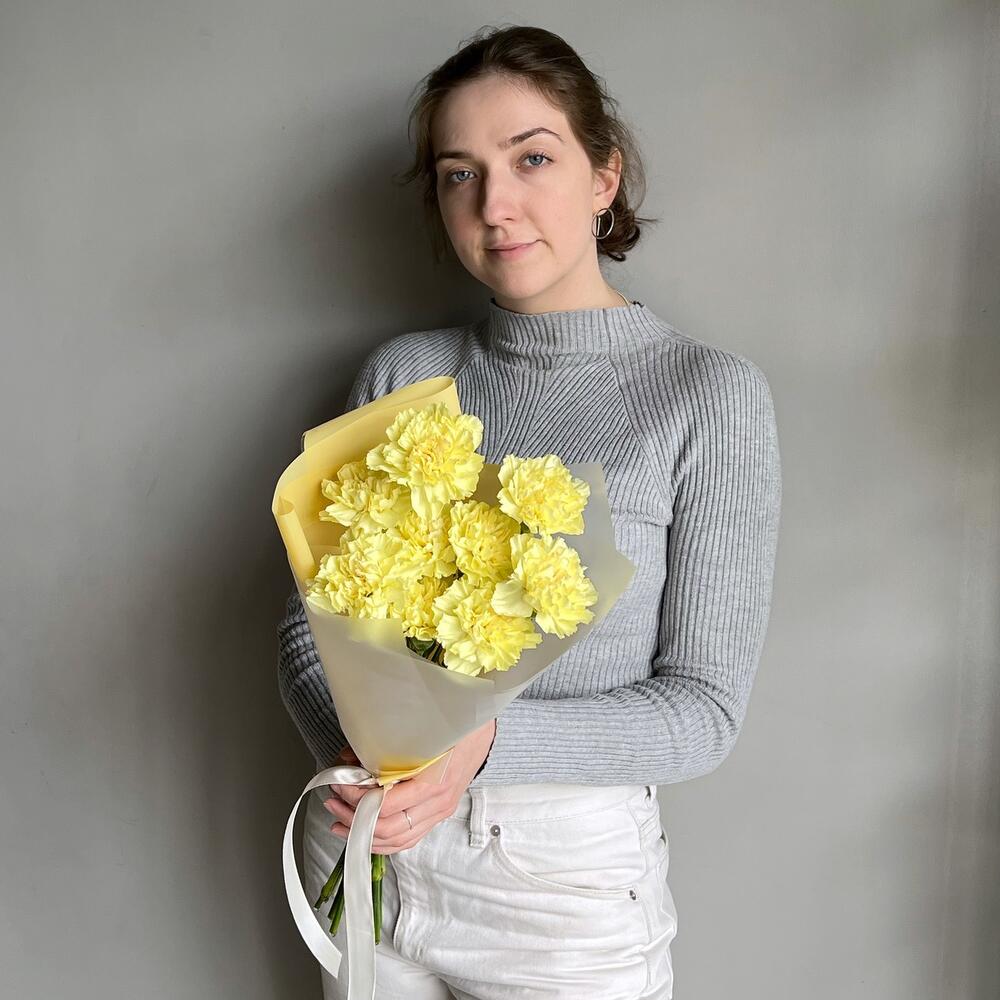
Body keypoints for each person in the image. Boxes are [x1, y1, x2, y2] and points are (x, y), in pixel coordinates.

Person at [277, 24, 782, 1000]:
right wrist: (357, 752)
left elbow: (704, 711)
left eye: (532, 159)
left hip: (556, 894)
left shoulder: (707, 395)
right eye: (458, 174)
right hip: (366, 851)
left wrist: (485, 743)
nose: (494, 205)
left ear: (604, 176)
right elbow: (309, 623)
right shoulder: (401, 374)